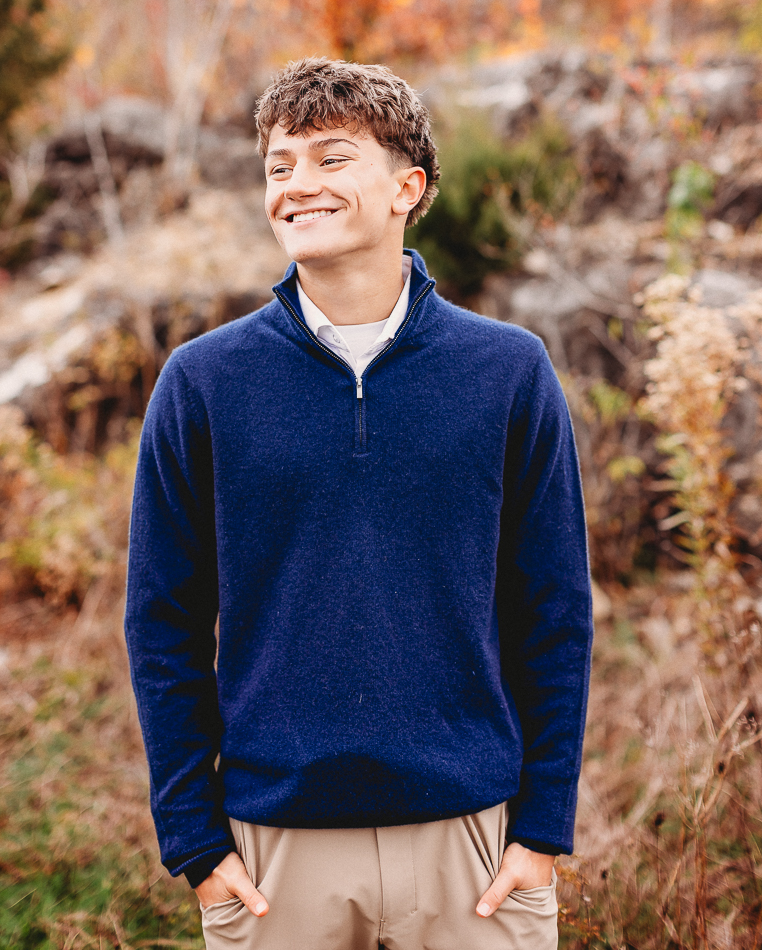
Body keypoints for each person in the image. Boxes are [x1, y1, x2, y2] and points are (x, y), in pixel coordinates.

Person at [125, 57, 592, 950]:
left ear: (405, 188)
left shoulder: (509, 371)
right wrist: (194, 841)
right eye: (279, 166)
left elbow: (555, 611)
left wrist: (542, 828)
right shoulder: (203, 382)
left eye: (331, 159)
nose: (297, 184)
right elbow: (162, 622)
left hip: (476, 844)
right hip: (275, 853)